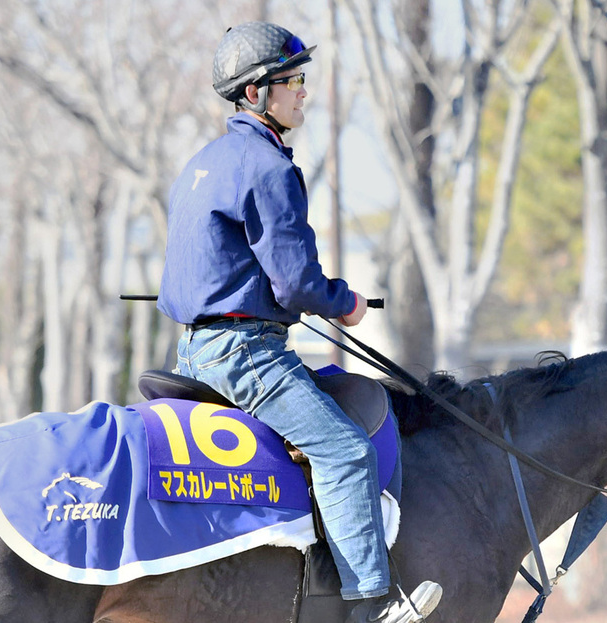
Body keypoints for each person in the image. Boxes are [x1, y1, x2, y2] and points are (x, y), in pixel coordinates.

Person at [157, 21, 441, 623]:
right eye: (293, 81)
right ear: (257, 94)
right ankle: (371, 606)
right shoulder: (268, 167)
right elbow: (297, 283)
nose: (304, 92)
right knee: (344, 451)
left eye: (301, 79)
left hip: (194, 349)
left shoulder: (205, 162)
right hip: (246, 356)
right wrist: (347, 304)